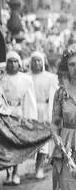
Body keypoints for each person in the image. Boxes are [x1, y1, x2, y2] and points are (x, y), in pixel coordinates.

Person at [0, 49, 37, 185]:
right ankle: (8, 172)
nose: (12, 65)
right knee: (5, 143)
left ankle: (16, 172)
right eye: (10, 62)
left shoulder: (26, 79)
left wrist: (29, 118)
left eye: (15, 62)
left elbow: (30, 100)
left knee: (17, 144)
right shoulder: (0, 79)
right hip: (5, 112)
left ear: (19, 64)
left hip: (19, 112)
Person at [51, 47, 76, 190]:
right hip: (66, 149)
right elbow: (54, 123)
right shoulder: (61, 93)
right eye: (72, 65)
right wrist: (55, 137)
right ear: (66, 67)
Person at [29, 51, 58, 180]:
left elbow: (54, 96)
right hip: (30, 110)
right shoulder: (27, 77)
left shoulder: (50, 77)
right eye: (34, 61)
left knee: (45, 139)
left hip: (45, 109)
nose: (36, 63)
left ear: (43, 62)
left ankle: (39, 167)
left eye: (39, 60)